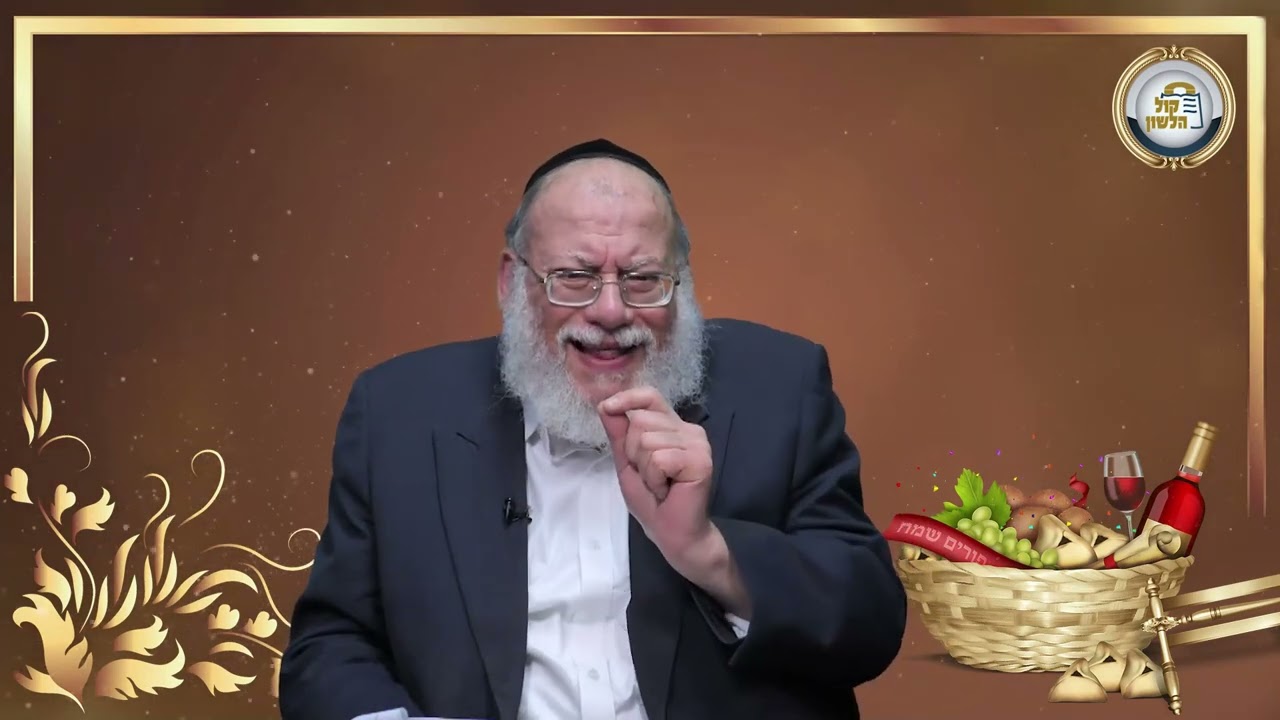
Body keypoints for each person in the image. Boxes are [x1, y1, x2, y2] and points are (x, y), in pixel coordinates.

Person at [280, 139, 907, 720]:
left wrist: (708, 552)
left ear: (682, 286)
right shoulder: (399, 411)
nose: (610, 310)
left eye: (643, 278)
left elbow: (870, 625)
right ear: (512, 282)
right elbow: (329, 643)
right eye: (574, 277)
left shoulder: (781, 385)